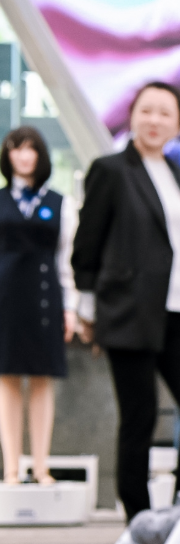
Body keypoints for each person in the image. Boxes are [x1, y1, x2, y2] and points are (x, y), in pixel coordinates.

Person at [73, 82, 180, 521]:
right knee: (140, 418)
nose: (155, 121)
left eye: (165, 113)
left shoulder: (178, 173)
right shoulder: (111, 170)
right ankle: (140, 521)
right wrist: (87, 306)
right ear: (133, 116)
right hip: (129, 311)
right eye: (147, 111)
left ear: (179, 123)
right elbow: (88, 242)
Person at [0, 127, 79, 487]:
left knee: (42, 379)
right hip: (5, 298)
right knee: (7, 379)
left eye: (31, 149)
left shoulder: (61, 203)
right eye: (16, 149)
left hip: (45, 298)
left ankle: (41, 466)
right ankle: (11, 468)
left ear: (41, 155)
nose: (23, 156)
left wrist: (70, 308)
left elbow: (66, 260)